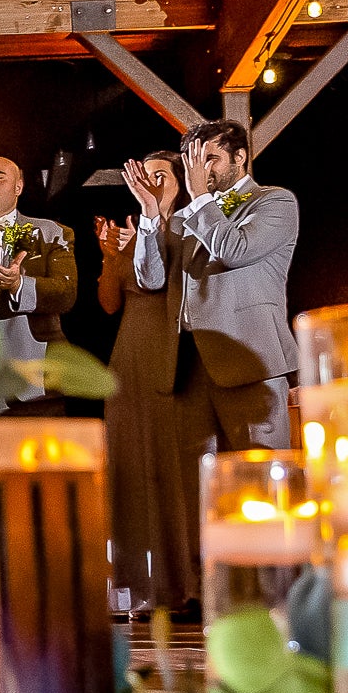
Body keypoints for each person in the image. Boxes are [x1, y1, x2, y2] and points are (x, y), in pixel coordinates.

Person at [127, 118, 300, 453]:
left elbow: (235, 251)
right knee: (203, 484)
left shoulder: (273, 202)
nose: (200, 170)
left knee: (261, 473)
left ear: (239, 157)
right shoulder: (185, 216)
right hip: (189, 368)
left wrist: (200, 198)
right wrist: (149, 214)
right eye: (194, 161)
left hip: (248, 362)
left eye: (210, 159)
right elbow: (150, 279)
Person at [96, 152, 211, 613]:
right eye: (144, 175)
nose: (150, 181)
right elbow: (108, 303)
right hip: (130, 353)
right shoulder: (132, 234)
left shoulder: (190, 224)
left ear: (180, 182)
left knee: (176, 464)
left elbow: (164, 279)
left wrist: (151, 225)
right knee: (132, 460)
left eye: (159, 174)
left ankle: (189, 580)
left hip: (176, 349)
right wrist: (109, 258)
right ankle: (140, 584)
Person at [0, 154, 80, 415]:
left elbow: (66, 294)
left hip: (34, 377)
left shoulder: (50, 232)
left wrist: (20, 285)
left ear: (18, 187)